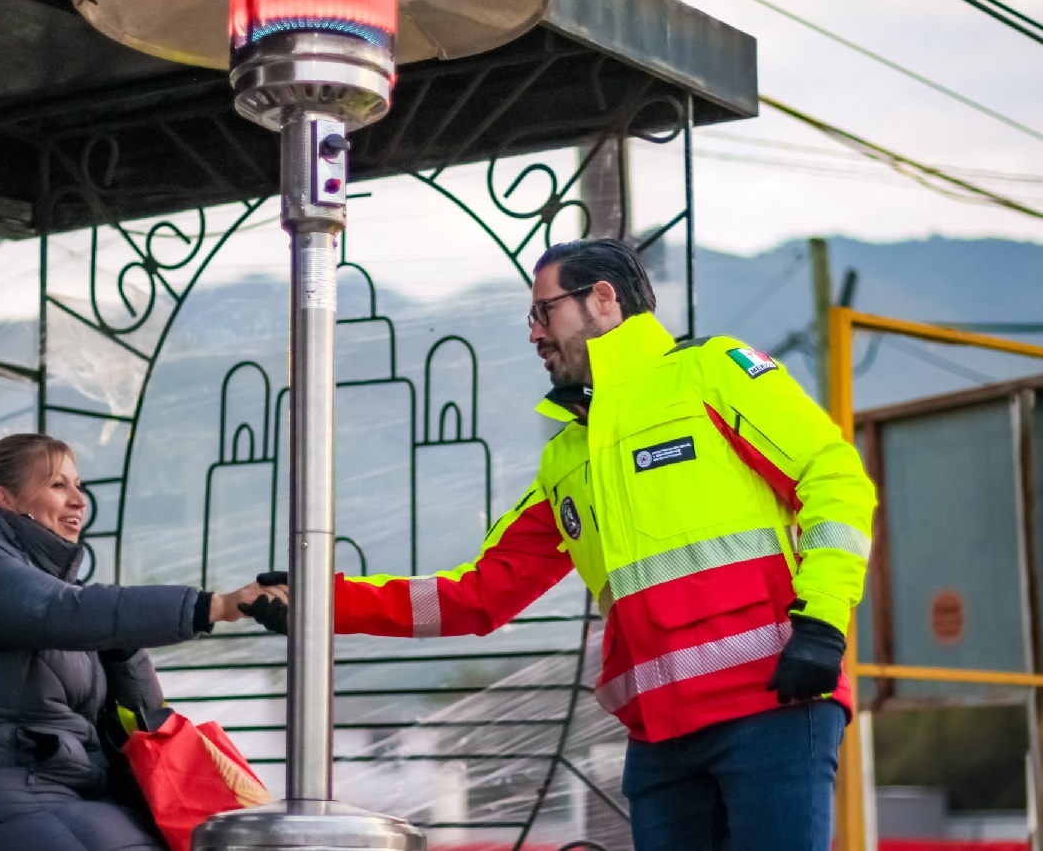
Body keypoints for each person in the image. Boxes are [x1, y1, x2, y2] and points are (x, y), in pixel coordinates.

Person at [244, 238, 875, 851]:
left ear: (602, 300)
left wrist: (822, 622)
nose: (533, 334)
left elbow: (836, 481)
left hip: (771, 706)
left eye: (543, 312)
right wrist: (323, 603)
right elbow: (477, 596)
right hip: (661, 742)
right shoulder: (566, 458)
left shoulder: (714, 374)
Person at [0, 434, 285, 851]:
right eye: (58, 485)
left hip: (62, 789)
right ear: (6, 498)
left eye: (80, 486)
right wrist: (217, 606)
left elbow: (139, 716)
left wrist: (124, 648)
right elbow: (55, 610)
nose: (79, 500)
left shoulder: (63, 591)